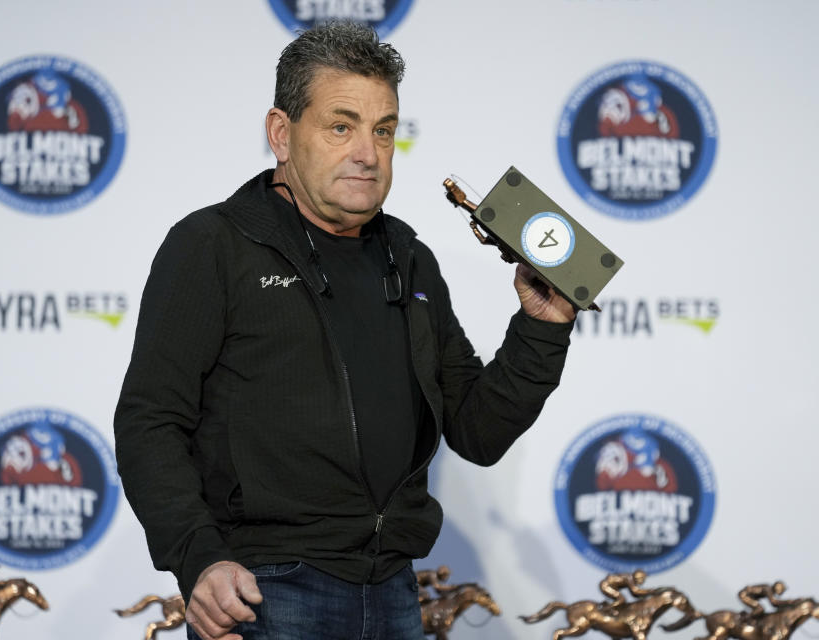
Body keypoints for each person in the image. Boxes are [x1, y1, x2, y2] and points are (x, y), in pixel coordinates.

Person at [114, 21, 575, 640]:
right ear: (282, 134)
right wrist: (200, 558)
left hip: (392, 593)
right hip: (263, 591)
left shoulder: (408, 256)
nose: (368, 152)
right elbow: (149, 419)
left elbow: (476, 429)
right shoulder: (212, 246)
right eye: (341, 126)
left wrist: (539, 331)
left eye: (383, 130)